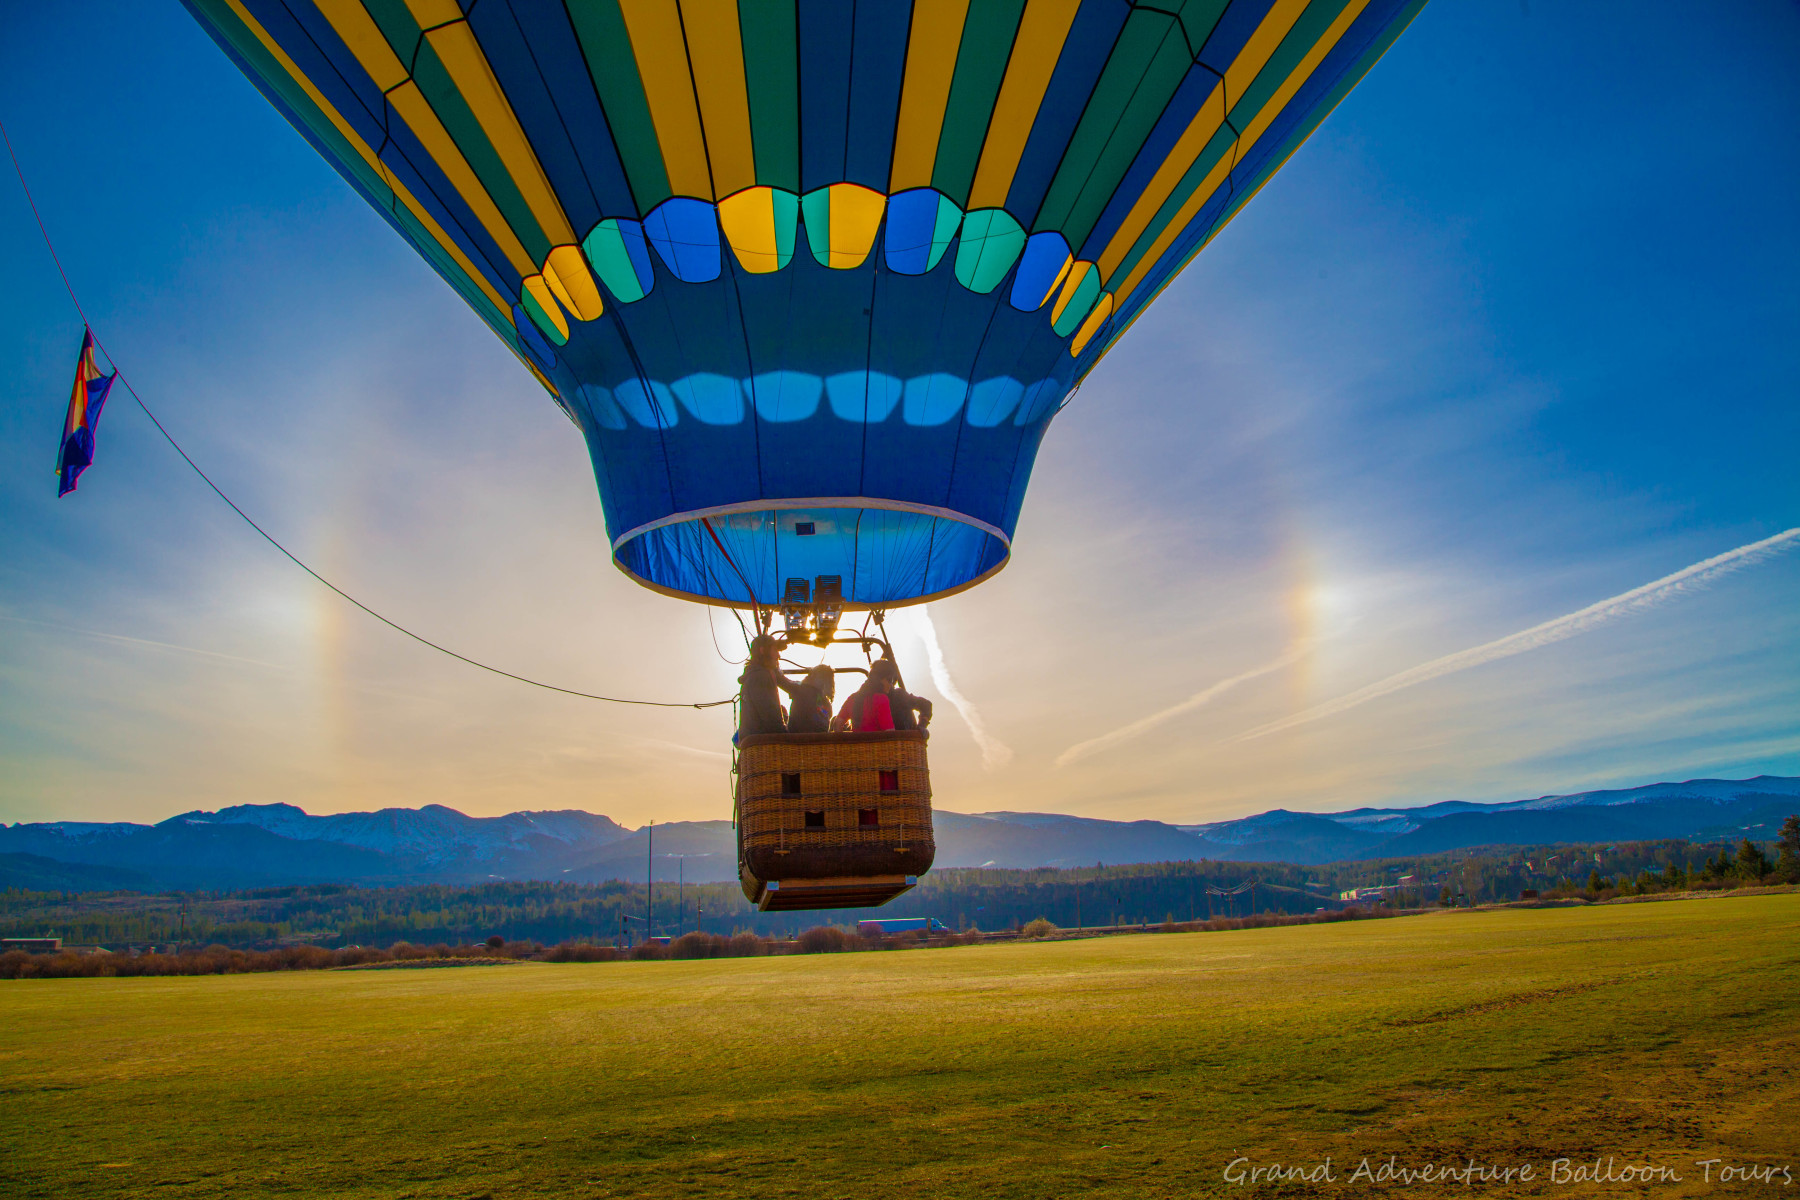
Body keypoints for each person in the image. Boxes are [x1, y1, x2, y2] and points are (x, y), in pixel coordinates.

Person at [736, 635, 797, 739]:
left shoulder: (753, 675)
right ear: (763, 651)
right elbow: (771, 718)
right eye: (775, 650)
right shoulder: (761, 677)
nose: (779, 655)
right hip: (764, 743)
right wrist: (788, 736)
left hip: (755, 741)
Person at [832, 658, 897, 732]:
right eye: (889, 680)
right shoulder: (882, 699)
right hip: (876, 743)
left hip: (856, 742)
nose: (891, 685)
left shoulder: (853, 698)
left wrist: (844, 742)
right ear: (880, 680)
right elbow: (889, 732)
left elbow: (837, 724)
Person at [785, 664, 836, 734]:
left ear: (812, 676)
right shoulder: (826, 703)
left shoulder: (800, 689)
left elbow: (783, 682)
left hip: (796, 737)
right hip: (820, 738)